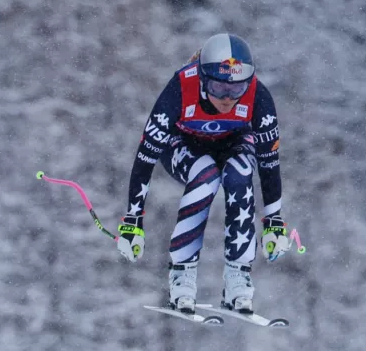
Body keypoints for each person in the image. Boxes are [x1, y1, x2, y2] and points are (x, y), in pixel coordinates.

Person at [116, 33, 291, 314]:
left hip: (234, 143)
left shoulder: (259, 97)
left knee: (240, 172)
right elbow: (145, 157)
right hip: (182, 144)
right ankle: (182, 275)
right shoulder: (179, 90)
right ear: (201, 78)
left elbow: (269, 163)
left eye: (237, 90)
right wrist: (132, 221)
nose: (227, 98)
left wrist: (274, 222)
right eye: (218, 87)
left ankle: (238, 275)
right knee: (206, 175)